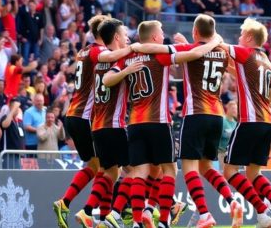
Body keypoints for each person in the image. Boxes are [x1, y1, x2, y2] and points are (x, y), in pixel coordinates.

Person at [103, 20, 222, 228]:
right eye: (161, 32)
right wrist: (216, 40)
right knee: (169, 170)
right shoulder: (161, 55)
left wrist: (125, 72)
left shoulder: (127, 57)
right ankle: (164, 220)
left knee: (139, 172)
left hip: (136, 123)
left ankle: (139, 220)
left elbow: (106, 80)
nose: (163, 34)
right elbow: (194, 54)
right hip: (159, 121)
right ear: (155, 37)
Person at [53, 15, 136, 228]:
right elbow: (111, 58)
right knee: (112, 169)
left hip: (75, 114)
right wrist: (132, 49)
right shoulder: (99, 52)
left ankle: (92, 213)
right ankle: (97, 212)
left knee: (101, 167)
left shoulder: (83, 51)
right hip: (88, 116)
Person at [165, 14, 242, 227]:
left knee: (190, 167)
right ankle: (232, 201)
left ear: (195, 32)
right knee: (208, 167)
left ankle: (204, 214)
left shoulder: (190, 51)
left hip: (195, 112)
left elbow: (183, 61)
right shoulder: (221, 52)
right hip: (216, 114)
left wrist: (185, 44)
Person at [220, 18, 271, 228]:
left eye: (241, 34)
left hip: (249, 120)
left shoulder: (244, 52)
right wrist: (237, 74)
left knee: (230, 171)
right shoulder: (266, 61)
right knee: (253, 172)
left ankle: (262, 211)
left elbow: (218, 44)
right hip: (267, 122)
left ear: (249, 37)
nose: (239, 38)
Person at [0, 98, 25, 169]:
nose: (16, 109)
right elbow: (4, 125)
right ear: (9, 107)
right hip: (8, 153)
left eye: (18, 108)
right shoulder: (5, 117)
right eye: (15, 107)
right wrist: (13, 110)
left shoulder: (18, 121)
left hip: (18, 154)